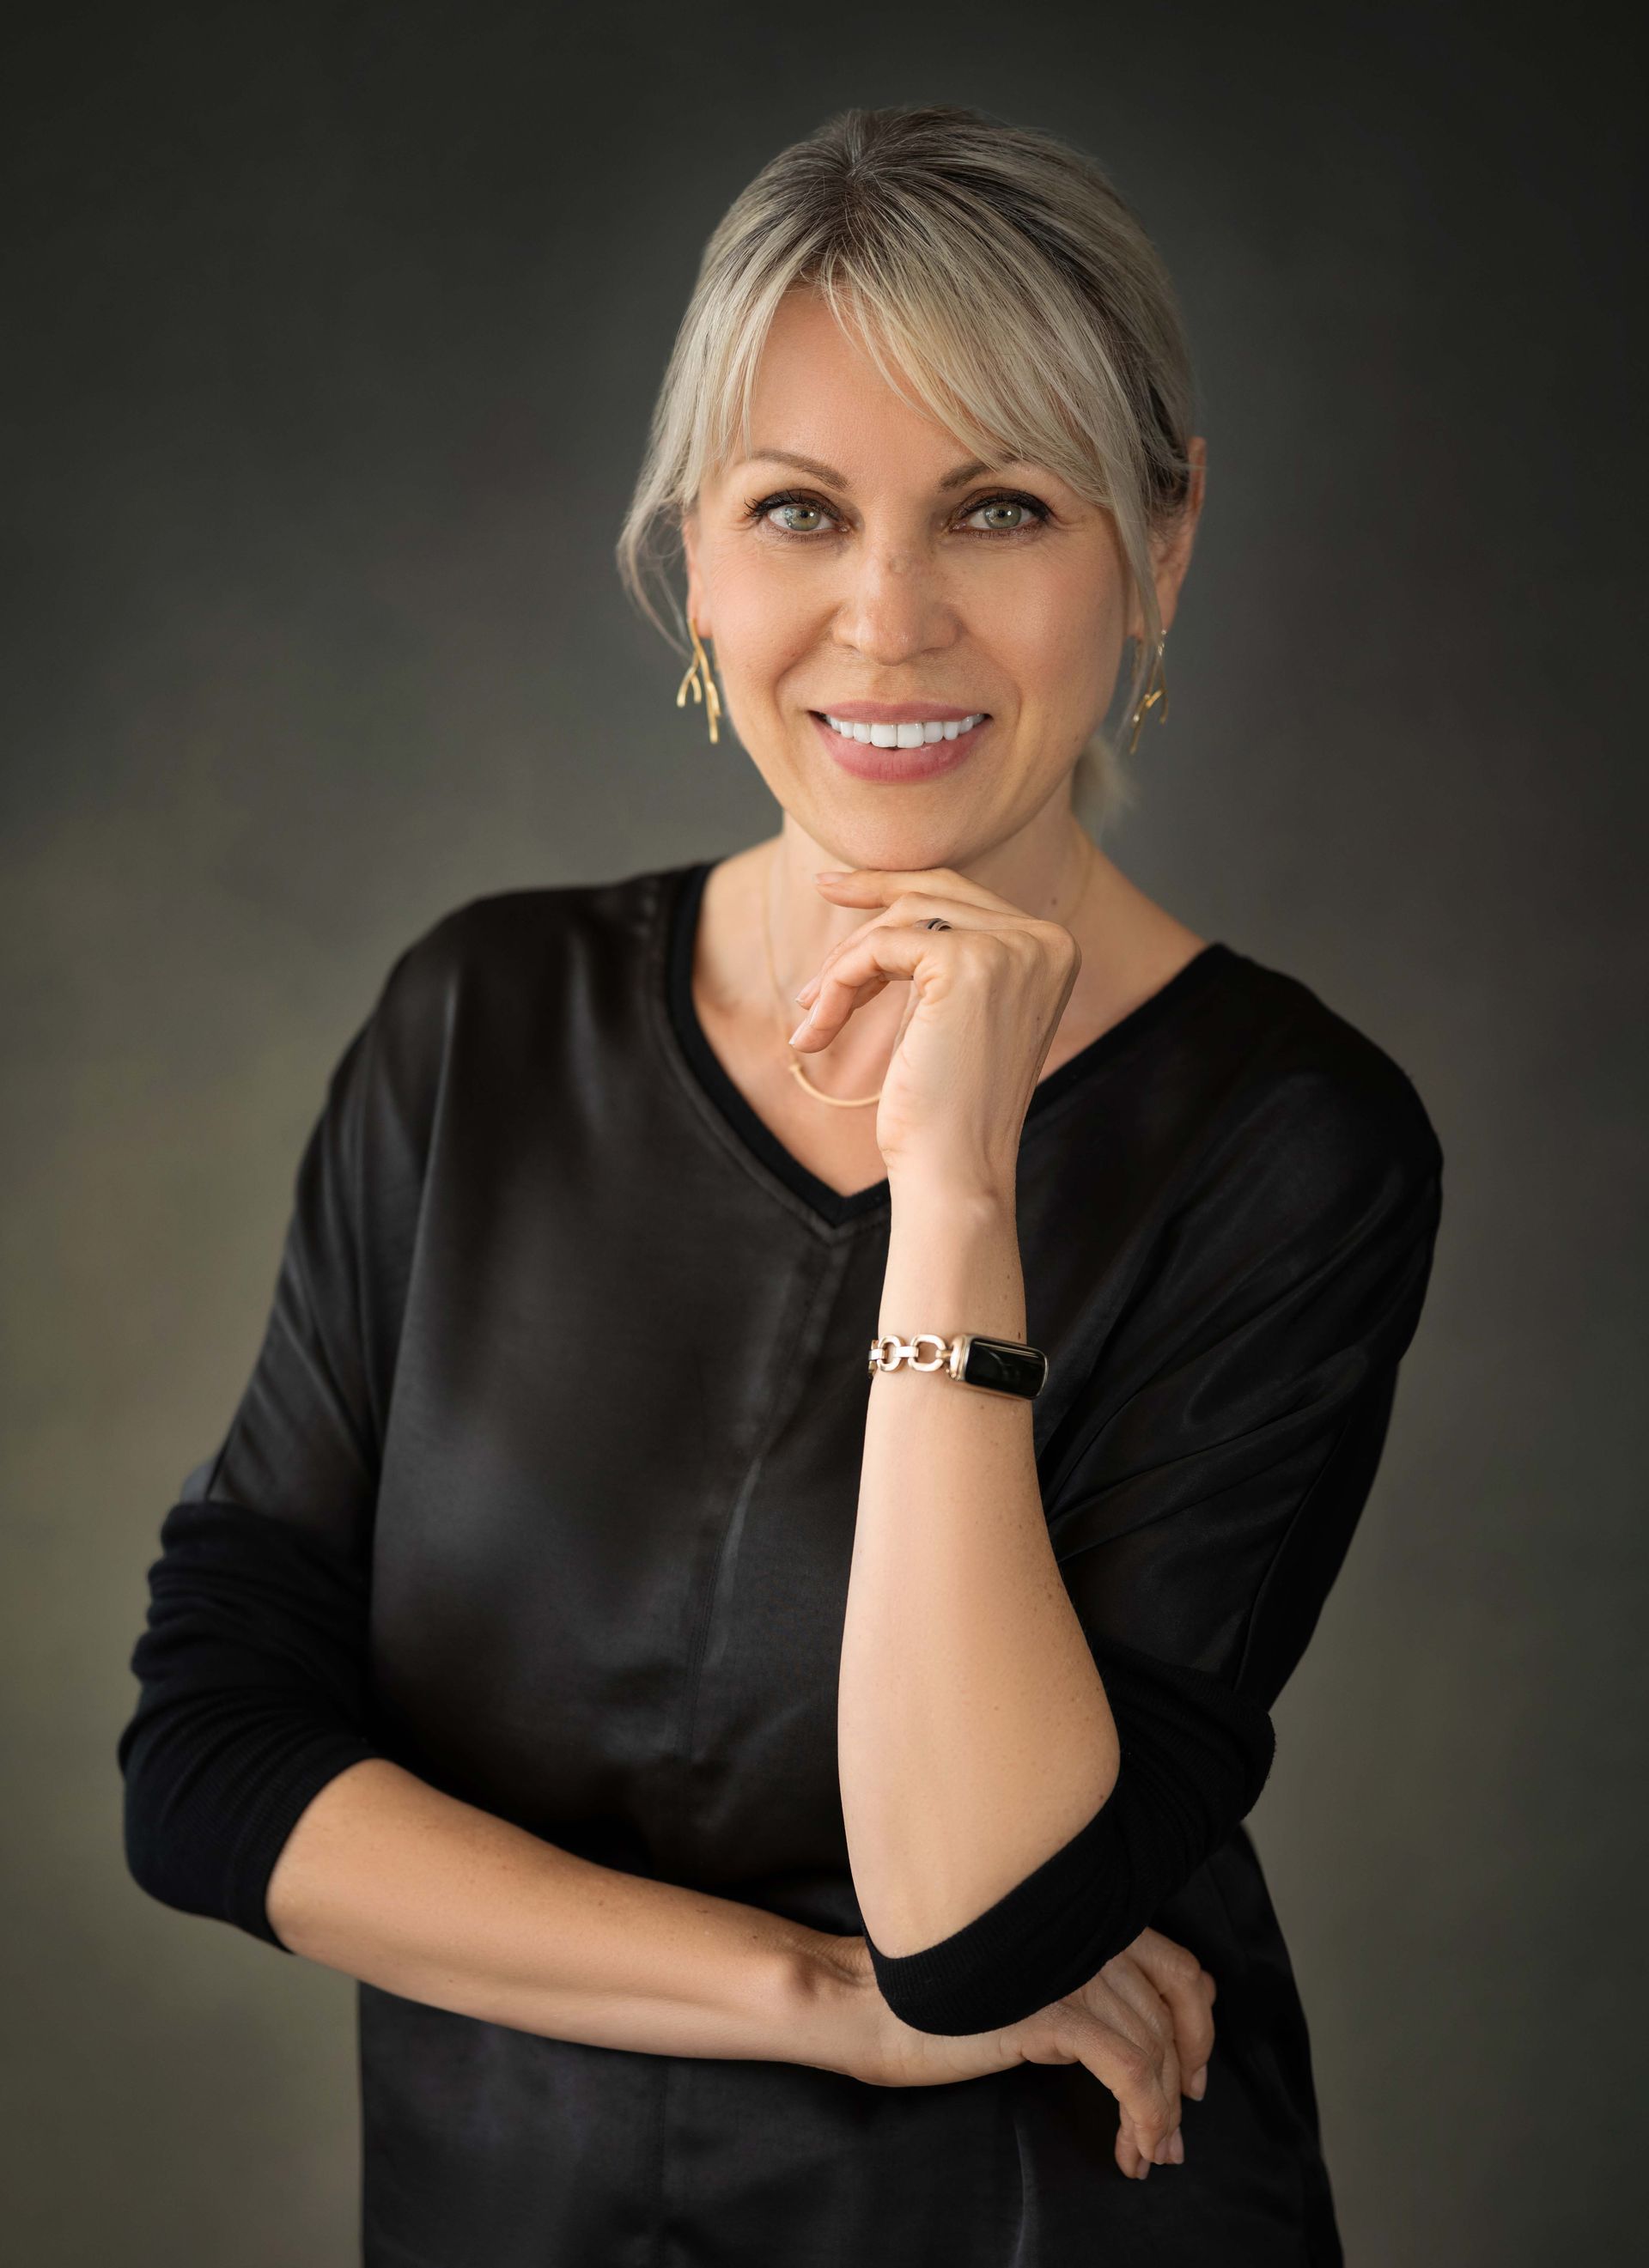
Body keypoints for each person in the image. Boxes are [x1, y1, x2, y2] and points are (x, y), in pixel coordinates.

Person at [117, 103, 1444, 2265]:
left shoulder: (1296, 1141)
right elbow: (207, 1771)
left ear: (1162, 545)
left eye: (1001, 507)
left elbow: (982, 1916)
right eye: (803, 511)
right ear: (697, 562)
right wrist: (811, 2001)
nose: (888, 618)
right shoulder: (480, 1020)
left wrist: (957, 1189)